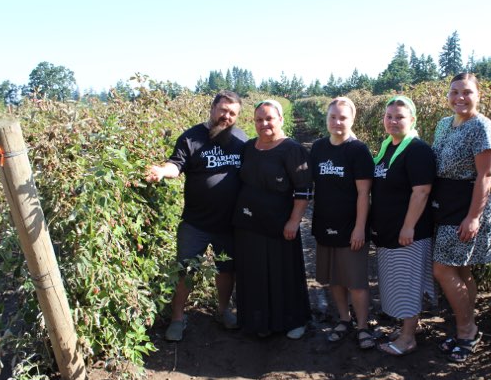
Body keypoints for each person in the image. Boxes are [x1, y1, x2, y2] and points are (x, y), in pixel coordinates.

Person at [146, 90, 247, 342]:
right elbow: (175, 165)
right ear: (213, 108)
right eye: (223, 110)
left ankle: (223, 311)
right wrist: (161, 171)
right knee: (186, 269)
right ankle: (178, 318)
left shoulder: (241, 139)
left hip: (229, 223)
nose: (226, 116)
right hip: (196, 222)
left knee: (227, 269)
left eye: (232, 113)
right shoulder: (191, 137)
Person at [431, 73, 491, 363]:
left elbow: (486, 175)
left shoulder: (482, 127)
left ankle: (466, 331)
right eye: (454, 91)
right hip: (444, 204)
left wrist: (473, 217)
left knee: (443, 269)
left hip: (466, 206)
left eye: (467, 92)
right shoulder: (443, 124)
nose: (460, 97)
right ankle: (468, 328)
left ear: (478, 95)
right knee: (461, 271)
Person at [233, 100, 313, 339]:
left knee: (283, 273)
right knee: (254, 273)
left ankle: (294, 321)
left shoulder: (292, 149)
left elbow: (304, 189)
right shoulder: (248, 147)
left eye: (269, 118)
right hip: (248, 225)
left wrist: (294, 221)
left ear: (281, 119)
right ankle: (260, 322)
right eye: (259, 119)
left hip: (280, 225)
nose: (264, 123)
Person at [371, 95, 436, 356]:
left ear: (412, 119)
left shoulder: (418, 150)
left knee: (408, 283)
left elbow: (421, 192)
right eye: (389, 116)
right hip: (389, 231)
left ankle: (408, 338)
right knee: (397, 282)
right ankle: (406, 329)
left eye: (400, 117)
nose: (393, 121)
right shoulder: (387, 147)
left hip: (408, 232)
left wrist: (408, 226)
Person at [309, 97, 375, 349]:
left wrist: (360, 227)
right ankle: (344, 319)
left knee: (356, 280)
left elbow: (363, 193)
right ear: (326, 120)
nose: (337, 122)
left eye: (343, 117)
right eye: (333, 117)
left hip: (351, 226)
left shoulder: (358, 150)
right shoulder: (318, 148)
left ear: (352, 119)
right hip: (324, 223)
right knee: (335, 277)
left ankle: (363, 326)